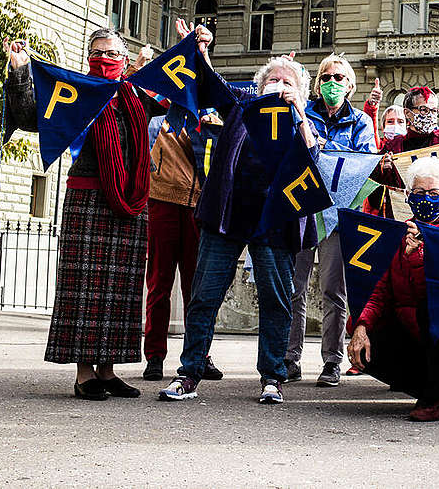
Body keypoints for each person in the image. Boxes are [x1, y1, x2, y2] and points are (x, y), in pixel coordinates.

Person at [4, 27, 191, 400]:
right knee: (84, 290)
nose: (103, 59)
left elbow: (176, 86)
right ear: (88, 56)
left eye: (111, 53)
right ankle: (84, 375)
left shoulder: (136, 93)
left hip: (131, 199)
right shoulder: (75, 91)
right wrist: (21, 70)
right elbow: (28, 116)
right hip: (87, 198)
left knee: (120, 292)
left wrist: (189, 46)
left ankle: (107, 372)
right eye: (97, 52)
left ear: (125, 57)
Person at [159, 54, 317, 404]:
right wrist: (200, 51)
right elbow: (210, 84)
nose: (278, 85)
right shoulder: (241, 106)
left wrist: (300, 115)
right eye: (272, 80)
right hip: (227, 215)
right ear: (259, 87)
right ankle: (189, 374)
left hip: (274, 220)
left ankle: (273, 377)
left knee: (276, 301)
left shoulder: (304, 121)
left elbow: (312, 158)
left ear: (300, 92)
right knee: (204, 295)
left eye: (287, 82)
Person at [346, 157, 439, 422]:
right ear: (409, 196)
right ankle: (429, 386)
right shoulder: (402, 232)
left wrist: (418, 256)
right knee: (363, 333)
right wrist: (360, 326)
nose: (426, 199)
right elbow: (381, 290)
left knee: (432, 309)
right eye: (419, 193)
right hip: (419, 332)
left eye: (434, 193)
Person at [287, 54, 376, 387]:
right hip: (301, 211)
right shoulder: (302, 115)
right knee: (293, 289)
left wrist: (326, 146)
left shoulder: (362, 122)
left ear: (350, 86)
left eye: (339, 78)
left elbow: (365, 161)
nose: (331, 83)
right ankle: (289, 359)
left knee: (333, 291)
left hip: (337, 217)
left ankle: (331, 362)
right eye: (325, 77)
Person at [141, 108, 223, 382]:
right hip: (162, 200)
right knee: (159, 284)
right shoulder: (158, 108)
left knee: (197, 290)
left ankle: (200, 354)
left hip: (198, 207)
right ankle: (154, 355)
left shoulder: (211, 114)